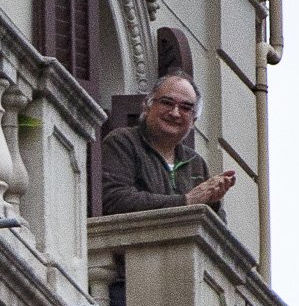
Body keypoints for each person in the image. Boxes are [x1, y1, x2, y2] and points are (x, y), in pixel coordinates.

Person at [100, 74, 236, 217]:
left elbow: (219, 229)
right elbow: (113, 199)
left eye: (185, 107)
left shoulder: (196, 163)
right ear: (147, 107)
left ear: (193, 121)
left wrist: (213, 202)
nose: (175, 113)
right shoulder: (123, 141)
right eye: (167, 103)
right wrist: (186, 201)